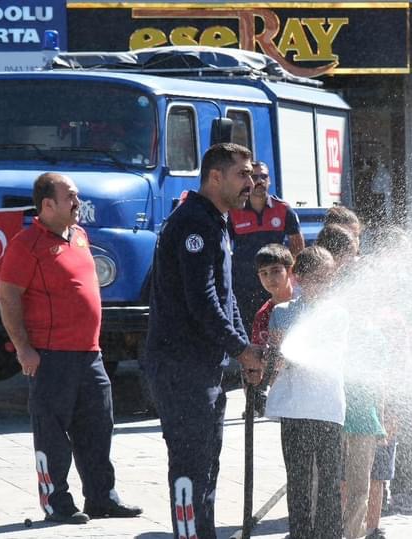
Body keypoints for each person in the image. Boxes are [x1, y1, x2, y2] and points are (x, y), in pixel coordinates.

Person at [0, 172, 142, 524]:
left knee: (97, 427)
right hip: (50, 355)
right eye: (71, 198)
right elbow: (7, 298)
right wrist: (23, 349)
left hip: (89, 354)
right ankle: (57, 504)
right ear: (47, 205)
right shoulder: (25, 244)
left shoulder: (79, 235)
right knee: (52, 432)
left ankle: (101, 498)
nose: (79, 203)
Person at [142, 143, 267, 539]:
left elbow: (226, 299)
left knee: (207, 464)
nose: (251, 182)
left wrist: (243, 349)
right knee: (191, 464)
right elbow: (203, 300)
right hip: (182, 367)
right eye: (242, 174)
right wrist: (241, 349)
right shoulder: (195, 223)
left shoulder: (215, 220)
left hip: (204, 366)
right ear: (216, 177)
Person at [264, 246, 347, 539]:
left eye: (329, 279)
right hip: (295, 409)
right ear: (300, 278)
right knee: (298, 480)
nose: (325, 285)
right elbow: (274, 359)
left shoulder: (339, 314)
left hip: (328, 408)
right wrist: (270, 368)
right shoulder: (282, 313)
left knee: (330, 481)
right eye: (319, 278)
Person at [230, 160, 305, 333]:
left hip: (275, 283)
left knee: (278, 328)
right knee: (249, 330)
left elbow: (297, 246)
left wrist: (292, 277)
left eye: (264, 176)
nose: (260, 181)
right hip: (244, 284)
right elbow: (225, 248)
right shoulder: (235, 211)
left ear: (269, 180)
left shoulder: (283, 209)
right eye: (254, 176)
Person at [247, 244, 296, 417]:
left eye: (276, 271)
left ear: (290, 270)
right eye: (264, 273)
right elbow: (256, 360)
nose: (270, 278)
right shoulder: (262, 315)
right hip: (282, 393)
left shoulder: (305, 302)